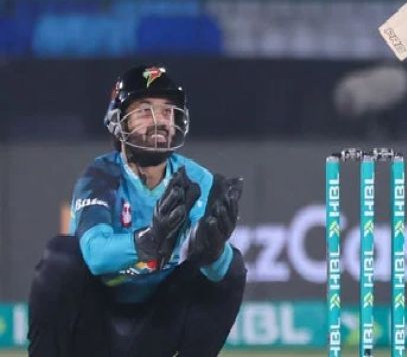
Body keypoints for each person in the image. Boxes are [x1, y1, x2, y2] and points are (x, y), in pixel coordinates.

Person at [27, 65, 246, 357]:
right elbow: (95, 256)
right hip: (94, 329)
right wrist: (150, 239)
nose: (159, 121)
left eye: (167, 111)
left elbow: (219, 277)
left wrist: (214, 252)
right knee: (60, 257)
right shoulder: (100, 177)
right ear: (119, 122)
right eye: (144, 111)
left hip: (155, 329)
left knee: (232, 266)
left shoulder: (197, 180)